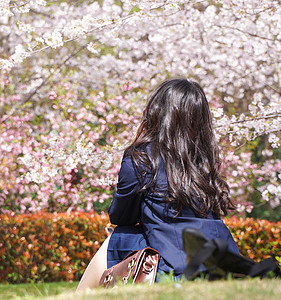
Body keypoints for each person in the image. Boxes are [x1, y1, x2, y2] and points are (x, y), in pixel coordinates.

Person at [76, 78, 239, 291]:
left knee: (115, 237)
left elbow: (120, 216)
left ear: (157, 112)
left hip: (173, 261)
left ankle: (80, 296)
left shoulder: (143, 156)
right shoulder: (205, 160)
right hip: (223, 260)